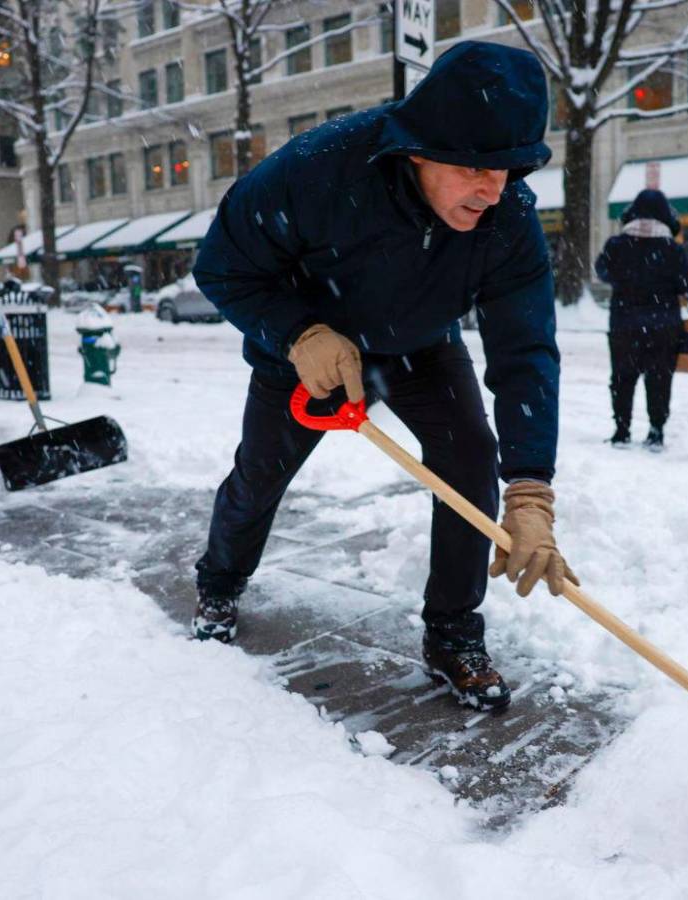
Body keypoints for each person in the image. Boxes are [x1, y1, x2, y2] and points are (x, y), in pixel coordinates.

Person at [191, 41, 577, 712]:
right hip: (311, 346)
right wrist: (295, 333)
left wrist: (532, 490)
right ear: (421, 148)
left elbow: (525, 351)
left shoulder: (508, 218)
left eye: (511, 168)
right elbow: (221, 265)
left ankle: (454, 630)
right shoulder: (317, 170)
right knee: (260, 473)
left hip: (421, 346)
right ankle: (220, 583)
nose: (494, 190)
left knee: (470, 459)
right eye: (476, 169)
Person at [594, 189, 688, 451]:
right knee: (660, 379)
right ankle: (656, 430)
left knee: (622, 378)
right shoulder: (673, 249)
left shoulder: (617, 245)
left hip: (624, 325)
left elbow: (602, 271)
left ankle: (622, 430)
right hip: (664, 326)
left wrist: (626, 277)